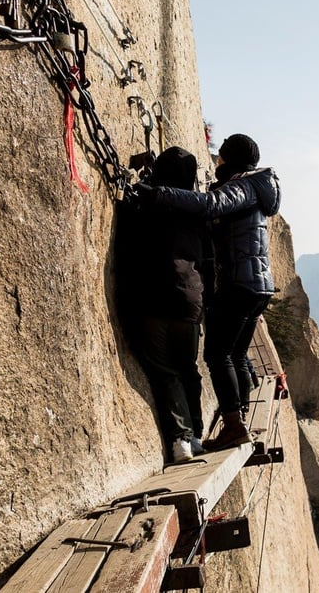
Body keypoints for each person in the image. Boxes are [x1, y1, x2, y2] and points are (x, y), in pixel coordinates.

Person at [133, 134, 280, 451]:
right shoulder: (255, 187)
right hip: (259, 285)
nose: (217, 164)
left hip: (241, 283)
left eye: (221, 158)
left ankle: (234, 425)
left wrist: (161, 194)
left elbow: (212, 204)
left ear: (229, 159)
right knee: (237, 353)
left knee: (217, 354)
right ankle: (239, 416)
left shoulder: (242, 186)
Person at [115, 146, 207, 462]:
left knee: (164, 370)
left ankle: (180, 438)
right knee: (187, 369)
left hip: (155, 296)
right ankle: (196, 434)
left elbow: (128, 217)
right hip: (190, 300)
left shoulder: (148, 202)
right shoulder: (197, 210)